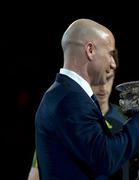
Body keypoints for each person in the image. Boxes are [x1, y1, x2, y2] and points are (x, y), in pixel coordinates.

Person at [35, 18, 139, 179]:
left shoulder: (63, 94)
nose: (113, 64)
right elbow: (105, 158)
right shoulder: (70, 100)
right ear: (90, 50)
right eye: (110, 54)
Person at [28, 47, 126, 180]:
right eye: (98, 79)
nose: (103, 87)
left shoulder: (126, 119)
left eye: (108, 78)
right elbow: (35, 176)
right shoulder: (62, 120)